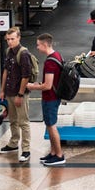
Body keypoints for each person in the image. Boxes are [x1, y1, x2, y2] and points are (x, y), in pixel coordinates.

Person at [0, 27, 35, 163]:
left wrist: (20, 94)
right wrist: (2, 90)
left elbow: (26, 76)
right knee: (13, 119)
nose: (9, 42)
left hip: (20, 93)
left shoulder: (23, 53)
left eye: (12, 39)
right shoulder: (8, 51)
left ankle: (26, 149)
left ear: (19, 38)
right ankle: (13, 143)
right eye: (8, 39)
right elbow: (6, 72)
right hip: (9, 92)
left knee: (23, 122)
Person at [30, 33, 65, 166]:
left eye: (38, 45)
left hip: (50, 98)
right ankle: (53, 152)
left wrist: (32, 86)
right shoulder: (57, 56)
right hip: (53, 97)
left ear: (45, 45)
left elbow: (47, 85)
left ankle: (59, 155)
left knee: (51, 126)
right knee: (50, 125)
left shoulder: (50, 62)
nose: (37, 47)